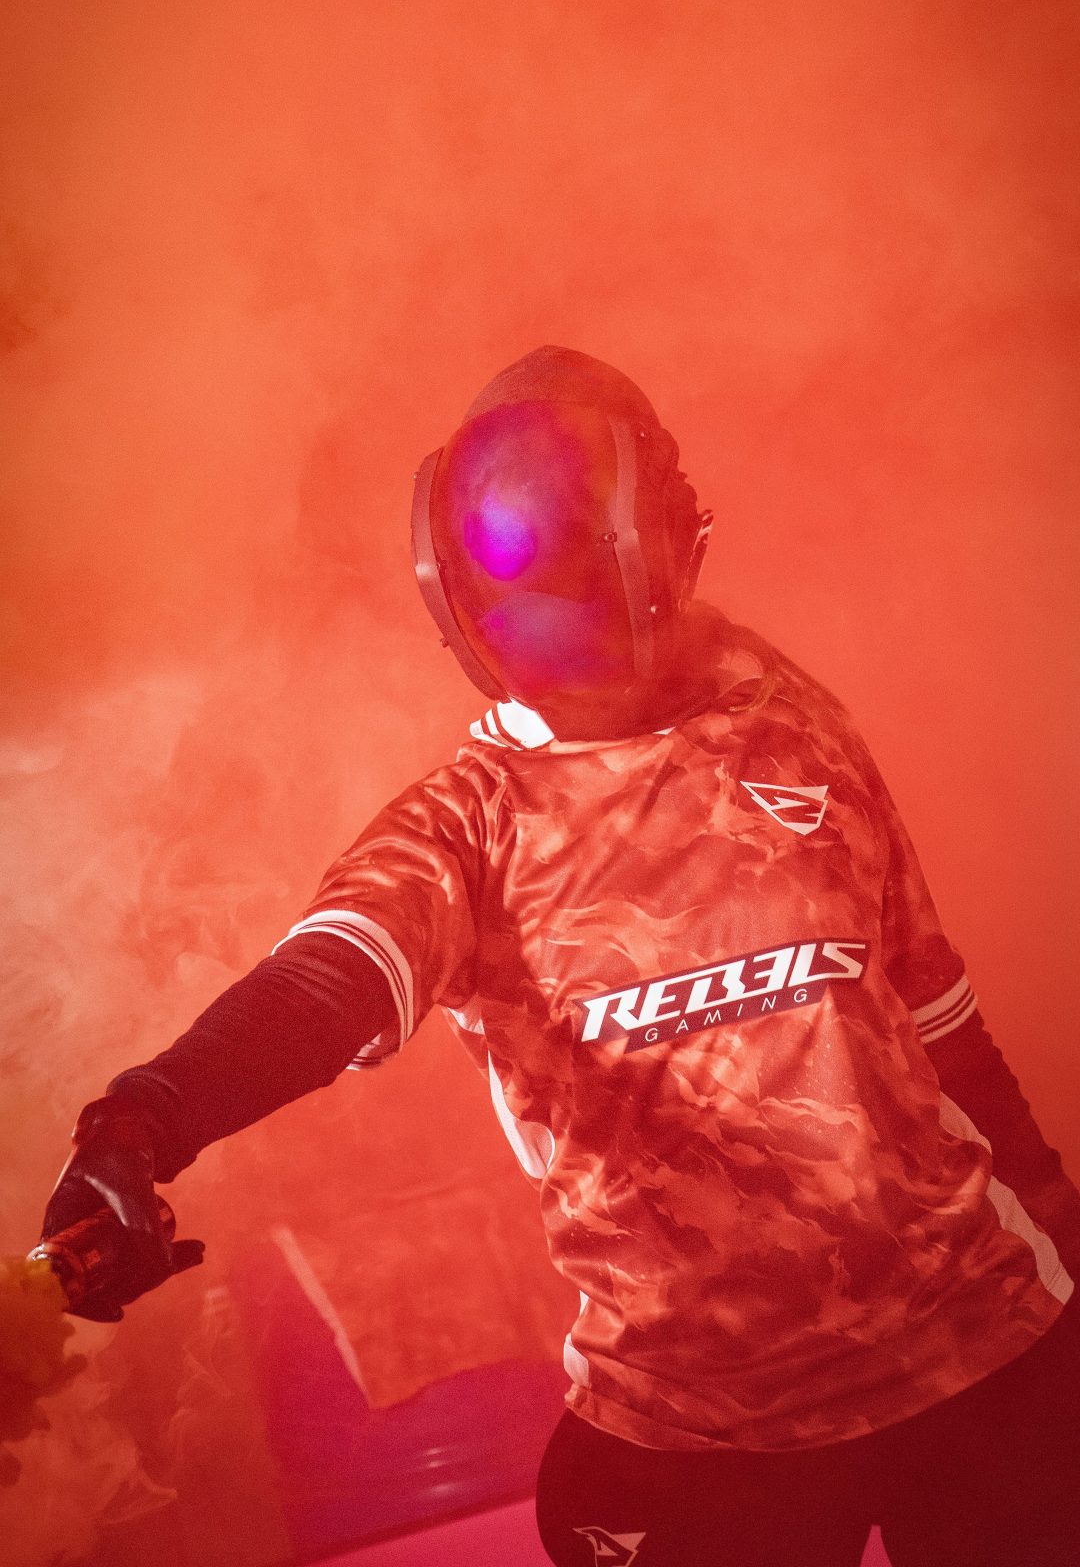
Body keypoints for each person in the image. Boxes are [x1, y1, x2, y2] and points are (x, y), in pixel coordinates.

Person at [41, 346, 1080, 1566]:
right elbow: (324, 981)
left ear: (666, 542)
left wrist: (1053, 1207)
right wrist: (146, 1118)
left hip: (980, 1357)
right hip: (701, 1432)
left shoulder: (791, 720)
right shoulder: (469, 825)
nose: (559, 616)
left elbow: (931, 1004)